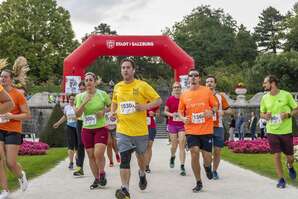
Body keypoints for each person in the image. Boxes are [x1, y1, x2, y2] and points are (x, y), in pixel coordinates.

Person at [111, 59, 162, 199]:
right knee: (125, 159)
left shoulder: (142, 85)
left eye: (128, 67)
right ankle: (125, 189)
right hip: (123, 129)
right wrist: (112, 112)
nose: (125, 70)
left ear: (133, 70)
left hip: (140, 131)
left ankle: (142, 173)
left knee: (141, 158)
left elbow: (158, 100)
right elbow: (114, 103)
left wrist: (144, 107)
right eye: (123, 67)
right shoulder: (117, 87)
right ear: (121, 70)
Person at [178, 69, 215, 193]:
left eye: (196, 76)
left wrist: (212, 112)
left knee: (207, 157)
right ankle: (198, 181)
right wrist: (183, 118)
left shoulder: (207, 91)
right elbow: (180, 111)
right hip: (191, 129)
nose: (193, 77)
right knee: (194, 152)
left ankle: (207, 166)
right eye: (191, 76)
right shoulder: (184, 94)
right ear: (188, 79)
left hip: (206, 129)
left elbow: (214, 106)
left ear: (199, 78)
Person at [260, 75, 298, 188]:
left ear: (272, 83)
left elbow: (296, 109)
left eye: (265, 83)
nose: (263, 85)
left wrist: (288, 114)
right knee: (276, 155)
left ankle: (290, 166)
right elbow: (261, 113)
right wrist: (265, 116)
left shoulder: (286, 95)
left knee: (290, 157)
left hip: (286, 131)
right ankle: (281, 179)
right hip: (272, 130)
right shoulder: (264, 98)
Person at [75, 72, 111, 189]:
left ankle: (102, 173)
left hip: (100, 128)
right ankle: (96, 179)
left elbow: (111, 106)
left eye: (91, 80)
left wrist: (103, 112)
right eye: (86, 80)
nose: (88, 82)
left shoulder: (102, 94)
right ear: (84, 83)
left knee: (98, 153)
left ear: (95, 82)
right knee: (90, 155)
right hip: (87, 129)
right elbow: (77, 114)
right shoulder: (80, 96)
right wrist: (85, 102)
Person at [0, 69, 31, 198]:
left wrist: (12, 116)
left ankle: (20, 175)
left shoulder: (18, 95)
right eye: (1, 76)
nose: (2, 79)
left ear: (11, 79)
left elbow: (27, 115)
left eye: (5, 77)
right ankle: (5, 190)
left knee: (10, 162)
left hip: (13, 130)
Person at [206, 75, 230, 180]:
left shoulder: (220, 97)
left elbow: (230, 110)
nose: (209, 83)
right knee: (206, 152)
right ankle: (207, 167)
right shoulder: (201, 96)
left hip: (218, 127)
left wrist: (223, 112)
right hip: (205, 127)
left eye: (211, 81)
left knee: (217, 150)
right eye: (207, 82)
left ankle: (214, 171)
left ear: (215, 84)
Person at [164, 82, 186, 176]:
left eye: (178, 87)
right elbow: (165, 111)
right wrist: (172, 115)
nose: (177, 88)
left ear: (181, 88)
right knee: (174, 145)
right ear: (173, 89)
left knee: (181, 143)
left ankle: (182, 166)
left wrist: (185, 117)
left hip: (182, 125)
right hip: (172, 124)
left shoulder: (184, 99)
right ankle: (172, 156)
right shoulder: (170, 99)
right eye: (175, 87)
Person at [53, 94, 78, 169]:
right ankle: (71, 162)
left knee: (78, 146)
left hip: (78, 127)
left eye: (73, 99)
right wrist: (58, 123)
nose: (71, 101)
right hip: (70, 127)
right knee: (70, 146)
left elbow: (79, 116)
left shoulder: (77, 107)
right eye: (70, 99)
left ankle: (78, 160)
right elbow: (65, 117)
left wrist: (74, 108)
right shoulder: (66, 107)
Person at [73, 81, 86, 177]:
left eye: (83, 89)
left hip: (91, 122)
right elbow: (75, 107)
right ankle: (79, 167)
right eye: (80, 89)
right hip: (80, 122)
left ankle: (99, 168)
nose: (81, 91)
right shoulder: (78, 97)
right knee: (80, 144)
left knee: (92, 146)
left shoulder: (92, 95)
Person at [105, 92, 120, 167]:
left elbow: (118, 117)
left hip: (114, 127)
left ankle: (117, 154)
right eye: (109, 98)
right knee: (109, 143)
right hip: (106, 128)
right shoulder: (104, 107)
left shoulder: (116, 107)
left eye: (111, 98)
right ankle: (111, 161)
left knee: (115, 144)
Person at [144, 106, 160, 173]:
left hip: (151, 126)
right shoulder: (139, 99)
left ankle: (147, 165)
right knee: (142, 147)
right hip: (140, 126)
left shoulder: (153, 100)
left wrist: (154, 114)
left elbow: (158, 114)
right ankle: (142, 164)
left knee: (149, 146)